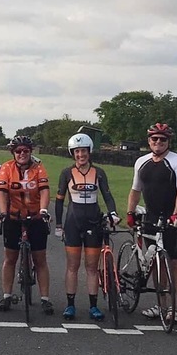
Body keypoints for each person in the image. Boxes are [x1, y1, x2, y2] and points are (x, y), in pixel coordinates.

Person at [126, 122, 177, 324]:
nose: (158, 142)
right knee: (156, 263)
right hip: (151, 216)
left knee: (175, 262)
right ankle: (161, 305)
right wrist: (130, 212)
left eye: (163, 139)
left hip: (172, 218)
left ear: (168, 141)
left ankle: (173, 307)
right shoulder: (142, 162)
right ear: (149, 141)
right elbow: (135, 189)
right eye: (154, 138)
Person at [54, 133, 119, 321]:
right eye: (77, 152)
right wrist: (59, 225)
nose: (80, 155)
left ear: (89, 152)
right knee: (72, 266)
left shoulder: (99, 172)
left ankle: (93, 306)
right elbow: (59, 201)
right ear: (72, 153)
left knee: (91, 266)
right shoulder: (66, 173)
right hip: (73, 223)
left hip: (93, 222)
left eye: (83, 151)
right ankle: (70, 305)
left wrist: (113, 213)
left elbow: (107, 196)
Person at [0, 134, 53, 313]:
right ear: (13, 153)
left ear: (30, 152)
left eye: (26, 151)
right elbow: (2, 192)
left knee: (40, 259)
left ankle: (45, 299)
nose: (22, 154)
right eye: (18, 151)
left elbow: (44, 191)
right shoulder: (7, 168)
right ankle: (6, 296)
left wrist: (43, 210)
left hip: (35, 217)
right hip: (13, 217)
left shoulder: (38, 168)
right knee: (10, 258)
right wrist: (3, 213)